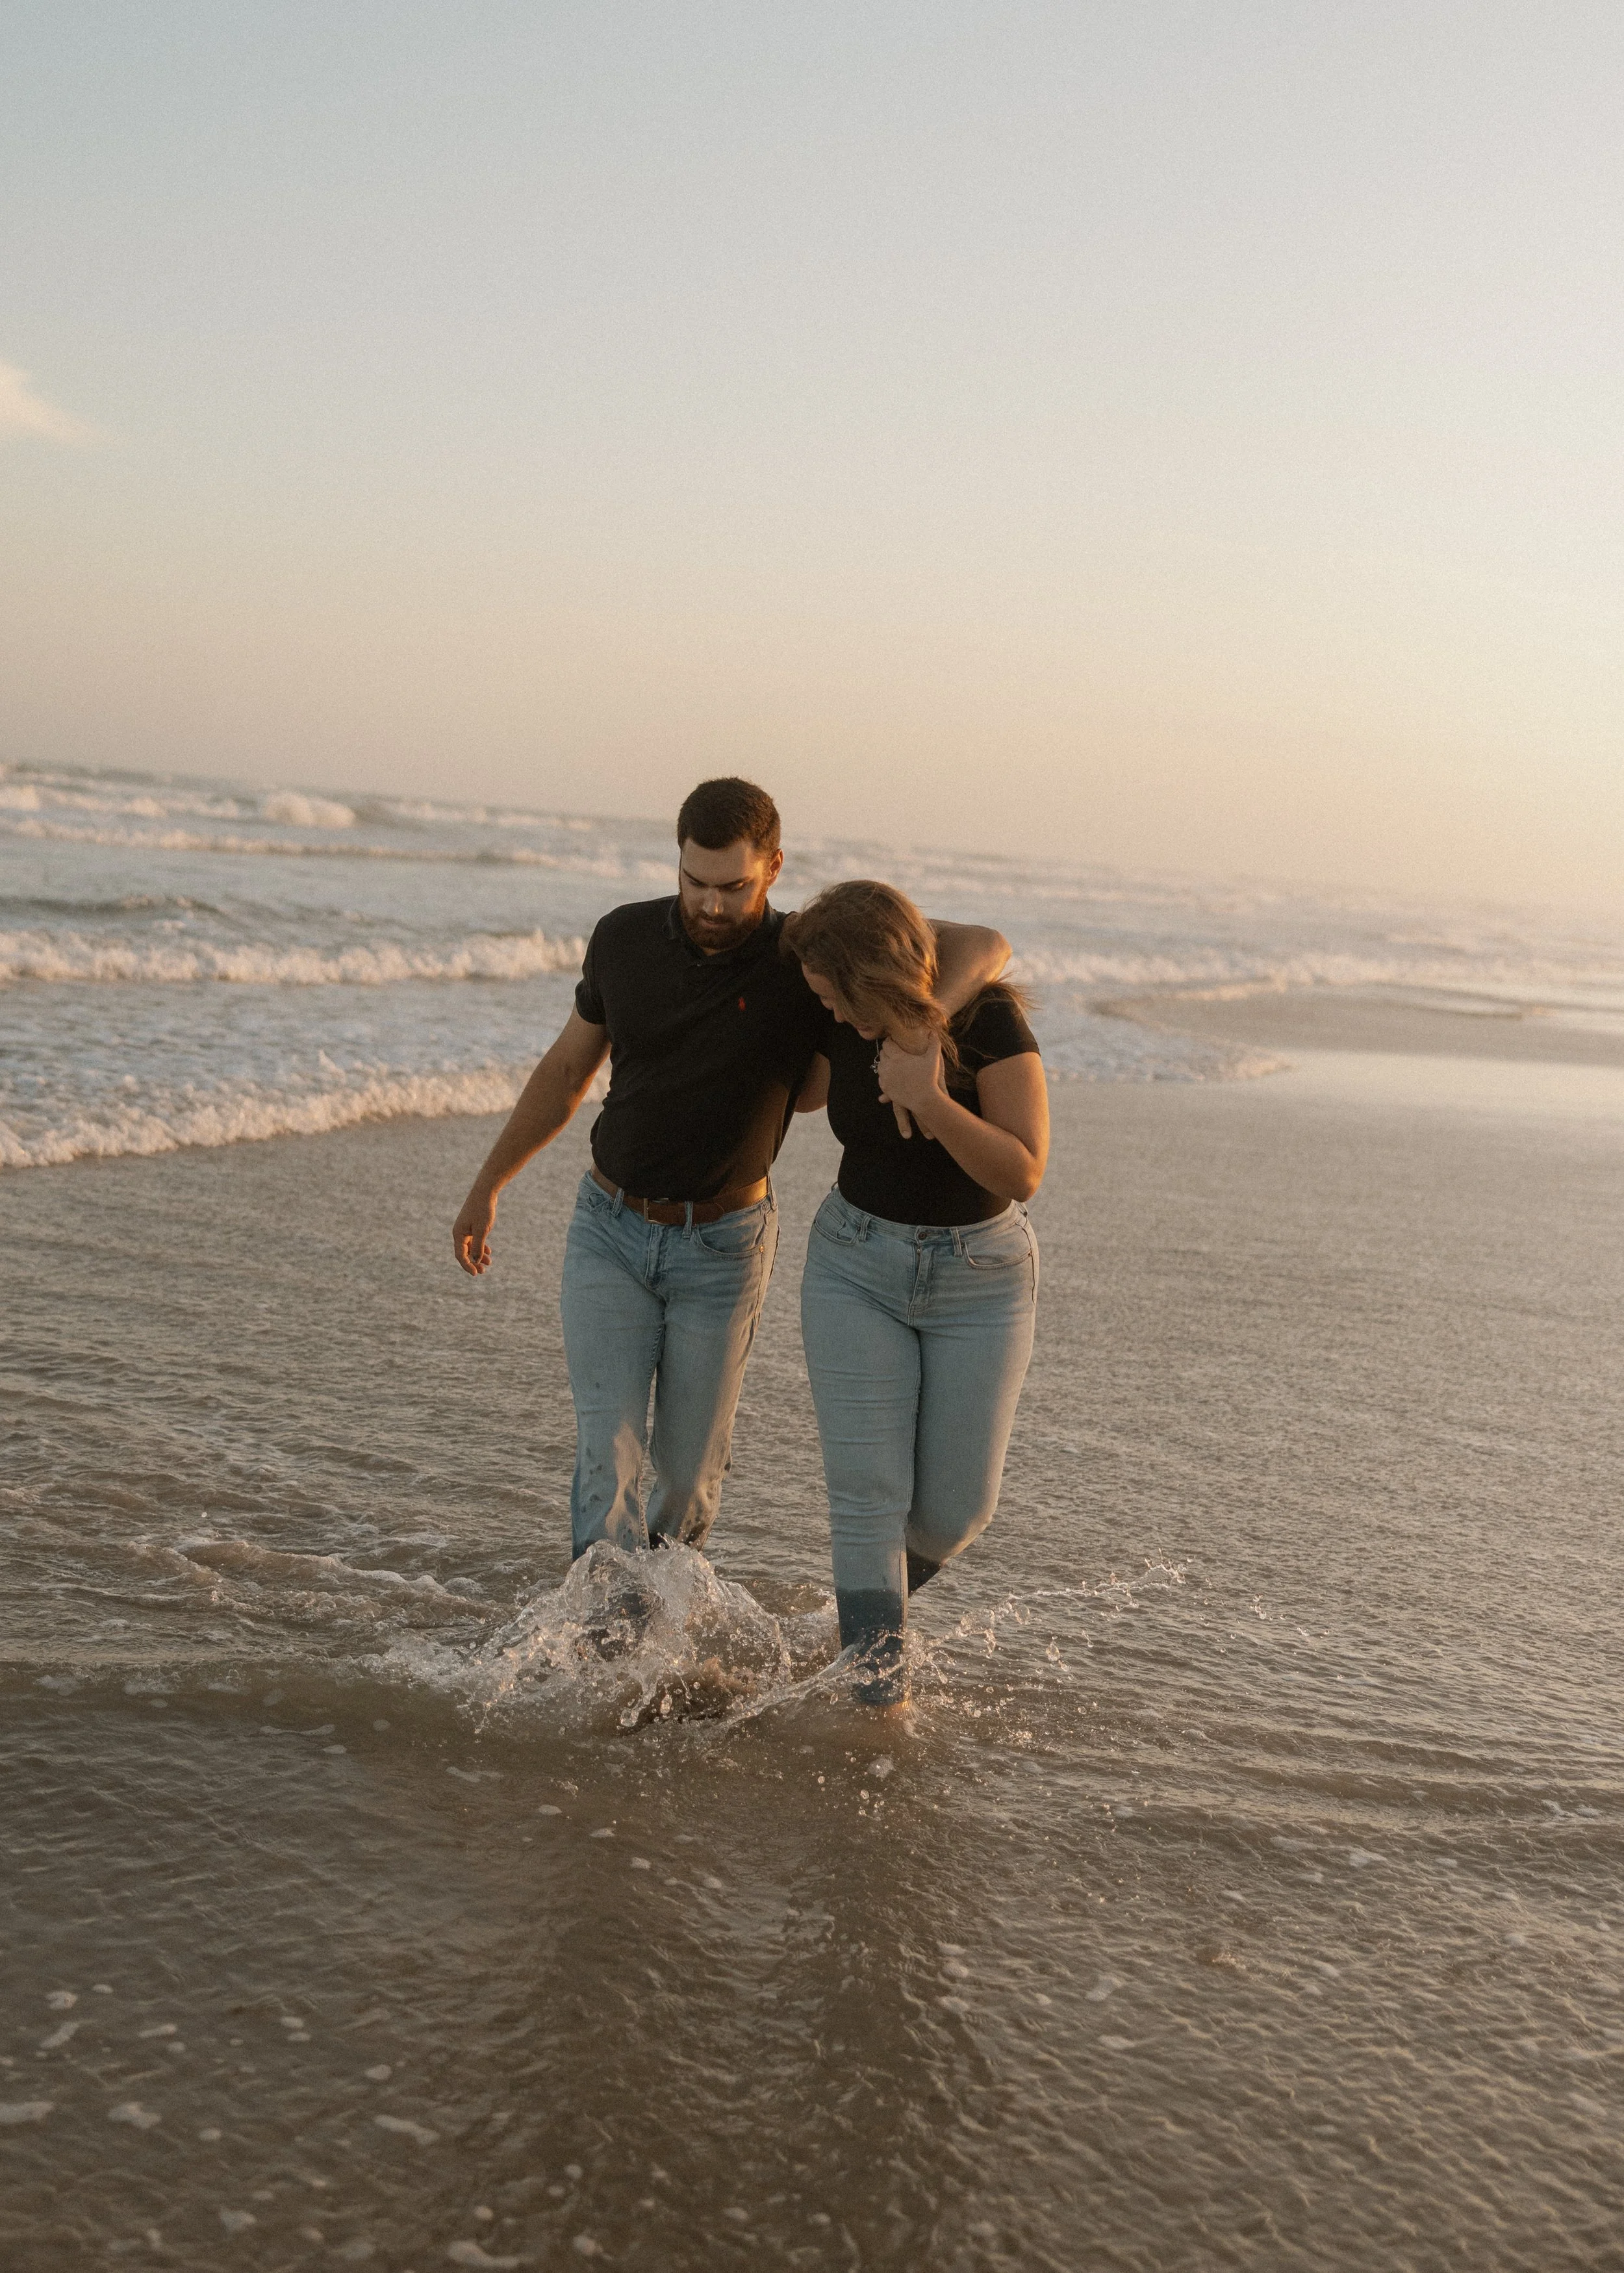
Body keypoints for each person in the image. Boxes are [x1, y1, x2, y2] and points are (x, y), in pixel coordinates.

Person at [451, 780, 1009, 1564]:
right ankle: (601, 1622)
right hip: (608, 1229)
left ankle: (663, 1609)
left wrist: (920, 1032)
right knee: (605, 1453)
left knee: (688, 1477)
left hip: (724, 1247)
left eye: (733, 887)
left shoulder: (803, 960)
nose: (711, 905)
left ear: (773, 867)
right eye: (695, 882)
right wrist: (488, 1185)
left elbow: (984, 943)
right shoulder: (622, 937)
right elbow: (567, 1069)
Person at [782, 879, 1048, 1707]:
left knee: (957, 1512)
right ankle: (875, 1697)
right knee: (867, 1500)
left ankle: (853, 1631)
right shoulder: (836, 1014)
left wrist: (927, 1095)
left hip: (980, 1280)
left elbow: (1023, 1170)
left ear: (874, 976)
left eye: (837, 995)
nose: (829, 1012)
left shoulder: (987, 1018)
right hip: (853, 1266)